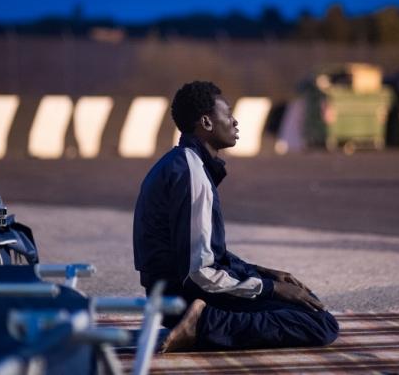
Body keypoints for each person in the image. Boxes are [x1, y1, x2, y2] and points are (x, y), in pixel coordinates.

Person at [133, 81, 338, 351]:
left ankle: (205, 320)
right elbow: (200, 273)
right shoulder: (190, 172)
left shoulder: (185, 163)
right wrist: (270, 289)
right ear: (206, 122)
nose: (235, 122)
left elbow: (208, 255)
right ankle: (203, 325)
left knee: (303, 301)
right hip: (179, 298)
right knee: (318, 323)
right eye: (227, 114)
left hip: (175, 292)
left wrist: (263, 274)